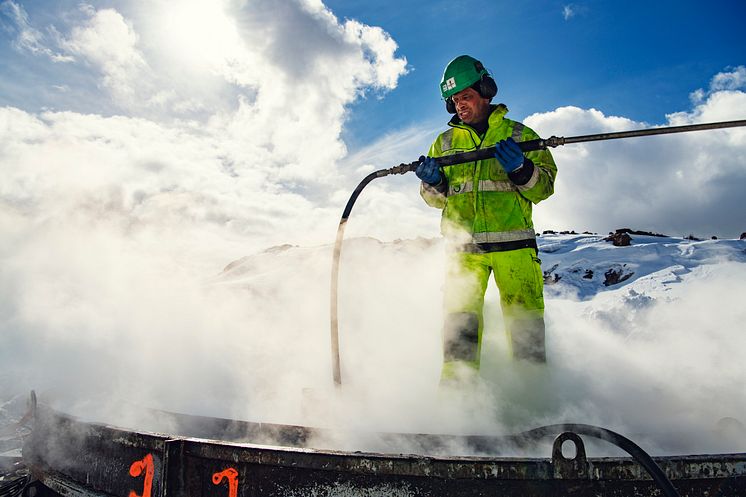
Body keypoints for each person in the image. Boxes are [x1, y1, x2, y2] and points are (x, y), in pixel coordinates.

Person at [417, 55, 557, 383]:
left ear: (485, 90)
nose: (459, 105)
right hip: (464, 251)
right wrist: (433, 182)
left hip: (515, 248)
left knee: (526, 331)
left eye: (465, 96)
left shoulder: (520, 134)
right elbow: (434, 200)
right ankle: (456, 405)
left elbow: (544, 188)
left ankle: (534, 404)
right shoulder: (444, 143)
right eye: (454, 100)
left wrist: (522, 169)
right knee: (458, 328)